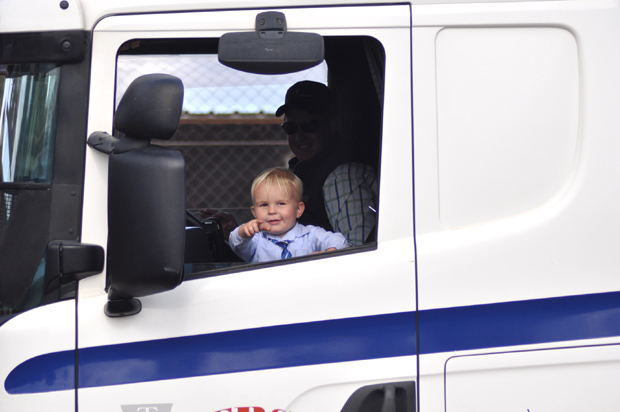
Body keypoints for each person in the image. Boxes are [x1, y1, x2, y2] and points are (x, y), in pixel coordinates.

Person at [276, 80, 378, 246]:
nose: (299, 136)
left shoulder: (343, 177)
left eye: (309, 125)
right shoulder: (304, 168)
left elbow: (358, 250)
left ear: (332, 124)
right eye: (291, 128)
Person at [228, 168, 348, 263]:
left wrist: (329, 253)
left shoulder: (310, 235)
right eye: (264, 205)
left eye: (281, 203)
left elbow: (339, 241)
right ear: (254, 212)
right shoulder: (256, 240)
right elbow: (235, 243)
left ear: (298, 210)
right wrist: (243, 232)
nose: (271, 211)